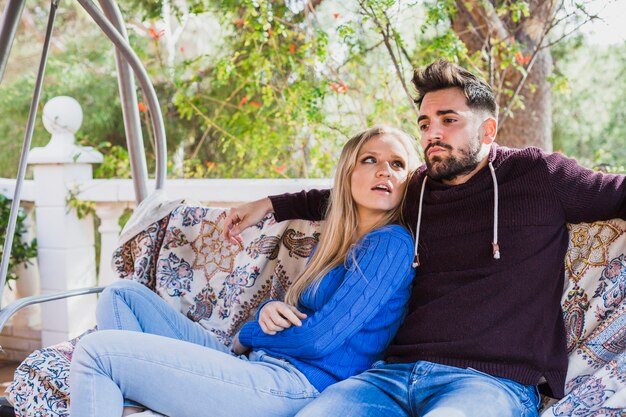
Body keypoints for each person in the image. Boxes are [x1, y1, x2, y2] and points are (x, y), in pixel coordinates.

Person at [222, 59, 626, 417]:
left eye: (448, 120)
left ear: (488, 129)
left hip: (489, 383)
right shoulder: (415, 189)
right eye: (425, 123)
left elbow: (617, 193)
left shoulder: (539, 175)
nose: (433, 133)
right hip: (389, 377)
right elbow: (343, 195)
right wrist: (269, 204)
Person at [69, 126, 420, 417]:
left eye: (397, 165)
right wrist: (267, 311)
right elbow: (298, 314)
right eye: (370, 160)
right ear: (348, 173)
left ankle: (136, 395)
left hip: (293, 385)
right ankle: (139, 402)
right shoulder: (337, 239)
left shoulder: (390, 244)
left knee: (97, 354)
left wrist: (249, 334)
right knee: (122, 296)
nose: (384, 171)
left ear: (407, 183)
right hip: (259, 364)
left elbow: (318, 340)